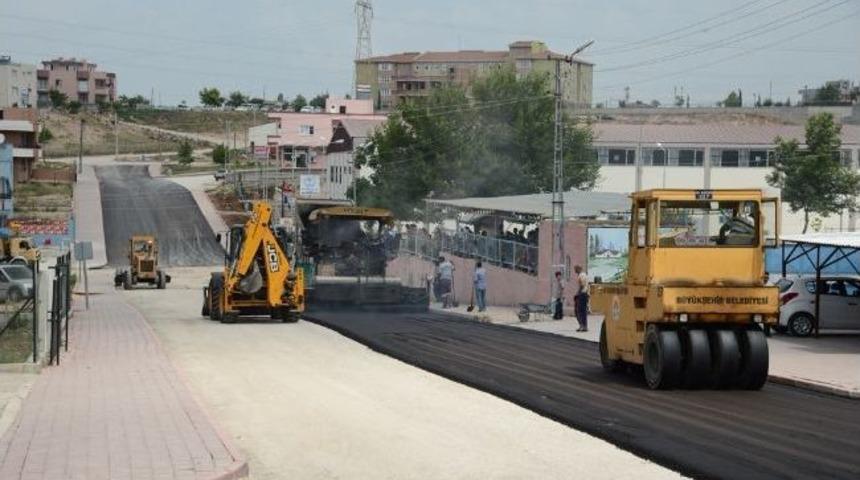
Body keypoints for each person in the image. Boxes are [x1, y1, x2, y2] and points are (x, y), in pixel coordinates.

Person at [573, 265, 589, 332]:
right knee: (583, 311)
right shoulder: (585, 274)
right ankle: (584, 326)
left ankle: (582, 325)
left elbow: (582, 286)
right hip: (585, 294)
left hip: (582, 294)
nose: (574, 270)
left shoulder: (581, 275)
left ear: (578, 269)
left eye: (575, 269)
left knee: (579, 311)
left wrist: (577, 294)